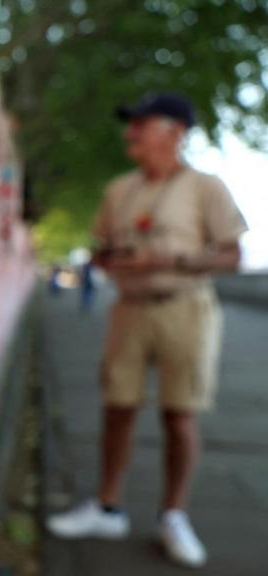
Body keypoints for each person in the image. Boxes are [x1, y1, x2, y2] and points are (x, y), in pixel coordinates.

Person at [45, 92, 247, 568]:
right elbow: (99, 247)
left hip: (185, 308)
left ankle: (173, 515)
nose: (130, 133)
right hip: (129, 308)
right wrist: (108, 258)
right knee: (118, 406)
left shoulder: (205, 188)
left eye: (142, 124)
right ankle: (106, 506)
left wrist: (169, 260)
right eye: (130, 124)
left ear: (175, 133)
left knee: (180, 415)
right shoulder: (120, 190)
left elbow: (231, 256)